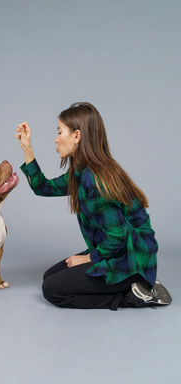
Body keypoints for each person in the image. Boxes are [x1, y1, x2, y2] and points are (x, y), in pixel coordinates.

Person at [15, 102, 172, 310]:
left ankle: (134, 294)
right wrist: (27, 147)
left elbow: (118, 237)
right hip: (121, 249)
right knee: (50, 276)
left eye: (60, 132)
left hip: (132, 258)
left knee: (52, 290)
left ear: (77, 136)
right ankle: (136, 286)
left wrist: (89, 258)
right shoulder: (81, 172)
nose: (56, 138)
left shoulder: (94, 179)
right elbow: (43, 187)